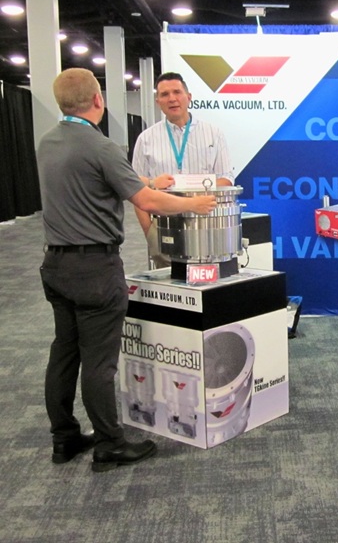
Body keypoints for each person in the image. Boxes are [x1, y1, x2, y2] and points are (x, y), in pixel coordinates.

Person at [38, 68, 217, 473]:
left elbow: (97, 182)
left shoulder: (47, 142)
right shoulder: (101, 147)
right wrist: (193, 204)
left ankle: (64, 438)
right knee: (99, 361)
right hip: (94, 269)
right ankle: (109, 444)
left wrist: (149, 181)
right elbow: (146, 200)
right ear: (98, 100)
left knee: (64, 353)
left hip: (56, 264)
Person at [132, 72, 234, 267]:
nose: (172, 98)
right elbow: (135, 188)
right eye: (164, 94)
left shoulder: (213, 134)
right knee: (170, 282)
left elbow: (227, 179)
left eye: (177, 92)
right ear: (158, 102)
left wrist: (192, 193)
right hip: (165, 226)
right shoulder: (146, 139)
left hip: (207, 226)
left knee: (209, 281)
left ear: (188, 97)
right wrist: (149, 232)